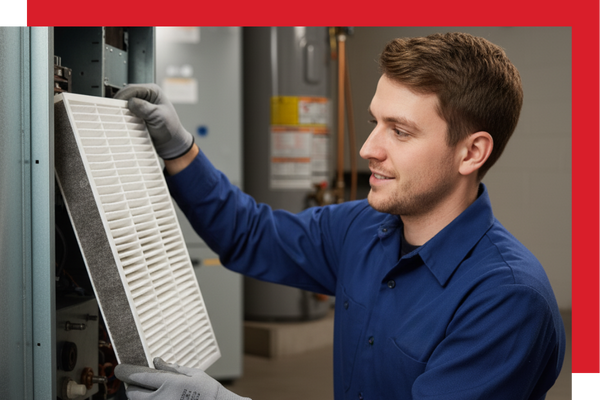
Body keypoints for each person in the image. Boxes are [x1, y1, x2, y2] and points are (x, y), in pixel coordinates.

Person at [114, 32, 565, 400]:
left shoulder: (507, 299)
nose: (369, 149)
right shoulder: (361, 227)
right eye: (375, 123)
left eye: (401, 131)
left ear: (471, 152)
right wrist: (181, 151)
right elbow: (250, 235)